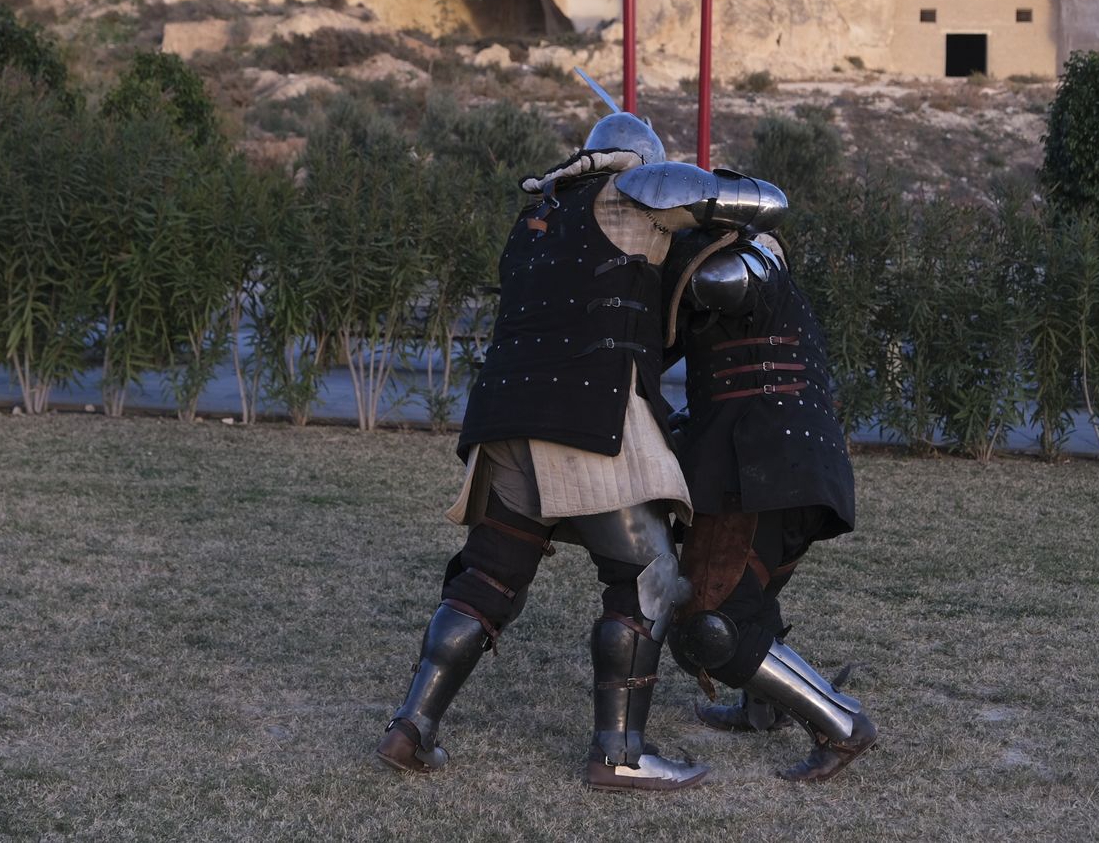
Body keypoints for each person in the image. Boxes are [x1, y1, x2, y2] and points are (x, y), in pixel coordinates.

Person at [375, 113, 786, 792]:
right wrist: (708, 192)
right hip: (584, 417)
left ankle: (411, 727)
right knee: (650, 574)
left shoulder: (538, 216)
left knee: (487, 579)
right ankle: (620, 752)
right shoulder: (639, 187)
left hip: (506, 416)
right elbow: (767, 204)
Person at [662, 226, 876, 783]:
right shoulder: (770, 276)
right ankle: (762, 708)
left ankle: (840, 724)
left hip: (756, 463)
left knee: (711, 624)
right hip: (785, 463)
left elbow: (715, 278)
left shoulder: (738, 263)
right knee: (746, 601)